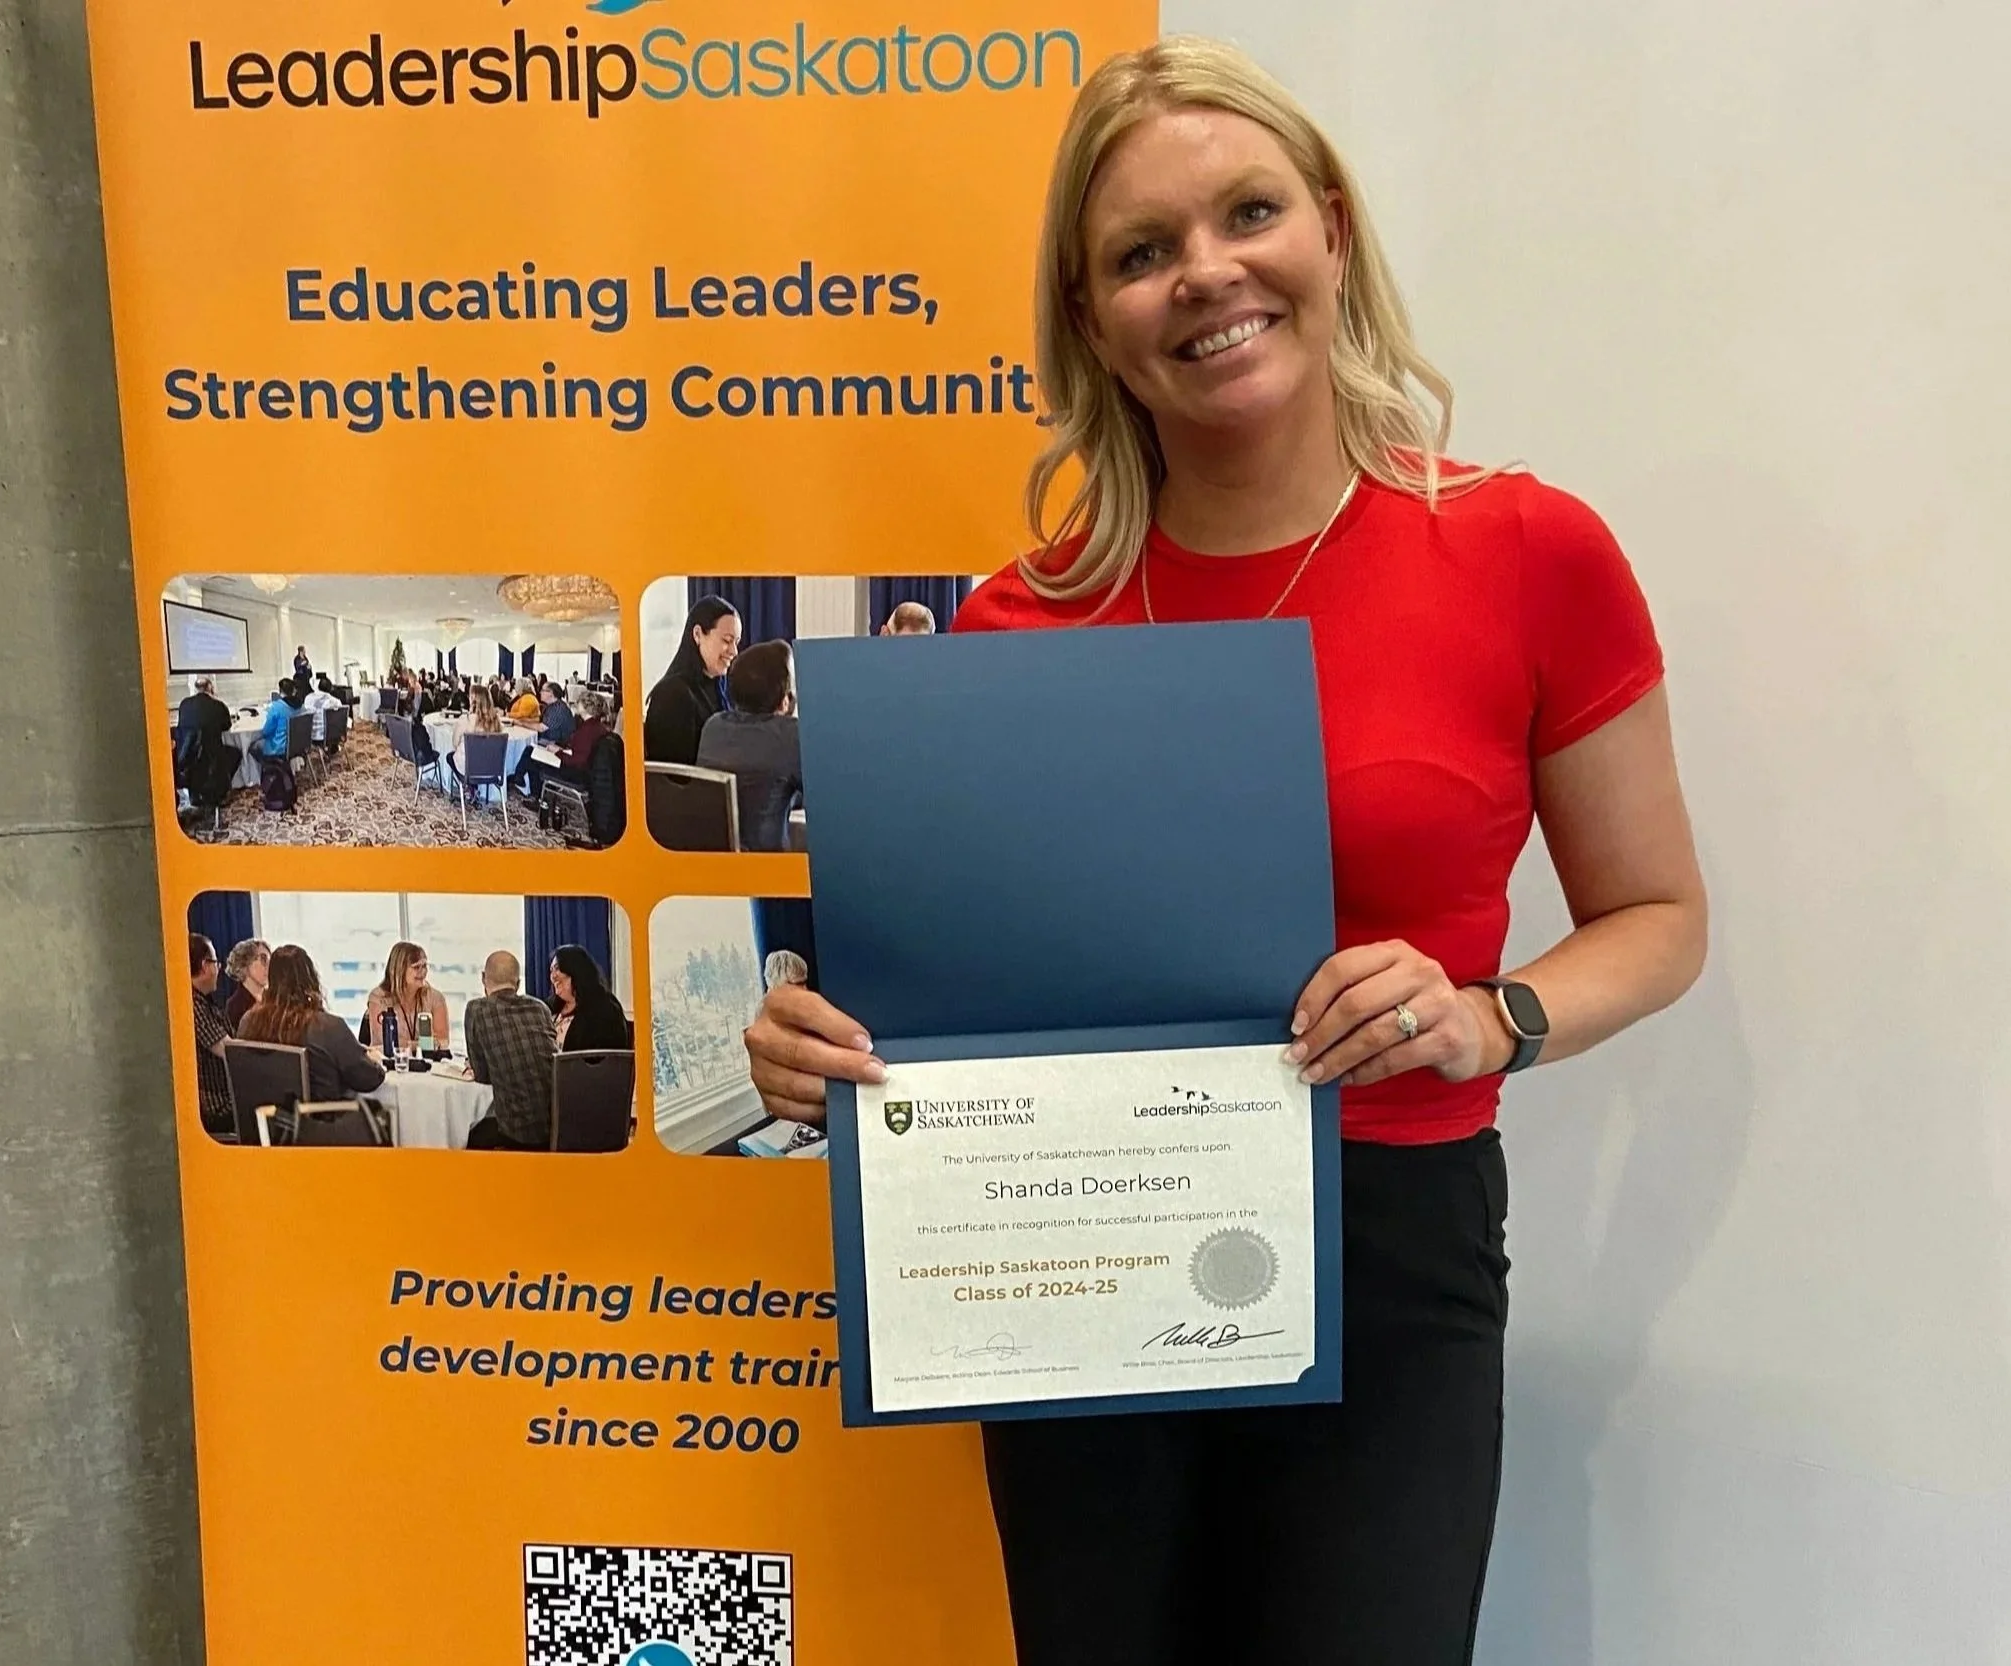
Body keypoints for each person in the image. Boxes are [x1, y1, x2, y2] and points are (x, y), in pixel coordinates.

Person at [738, 39, 1707, 1666]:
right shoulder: (1016, 621)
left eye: (1245, 213)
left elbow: (1659, 915)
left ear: (1328, 229)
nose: (1205, 276)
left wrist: (1495, 1016)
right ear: (1095, 321)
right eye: (1140, 254)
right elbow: (972, 1007)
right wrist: (818, 1042)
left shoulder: (1527, 549)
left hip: (1393, 1242)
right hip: (1075, 1252)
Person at [239, 946, 386, 1102]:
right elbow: (367, 1080)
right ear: (310, 979)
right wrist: (376, 1062)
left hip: (266, 1121)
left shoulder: (248, 1022)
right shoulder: (328, 1027)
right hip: (325, 1122)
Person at [696, 640, 804, 852]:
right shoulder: (790, 735)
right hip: (768, 874)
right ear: (785, 700)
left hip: (712, 869)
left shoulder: (713, 727)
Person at [461, 950, 559, 1151]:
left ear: (483, 978)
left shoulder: (476, 1010)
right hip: (554, 1127)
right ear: (518, 983)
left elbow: (482, 1076)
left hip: (514, 1130)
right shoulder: (540, 1007)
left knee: (468, 1135)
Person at [642, 596, 741, 765]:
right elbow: (673, 777)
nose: (734, 651)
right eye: (727, 640)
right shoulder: (672, 694)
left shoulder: (721, 687)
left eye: (736, 642)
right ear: (697, 635)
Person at [366, 941, 452, 1058]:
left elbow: (442, 1042)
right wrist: (424, 1044)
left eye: (424, 966)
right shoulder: (378, 998)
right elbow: (387, 1044)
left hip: (426, 1066)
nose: (423, 972)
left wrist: (409, 1044)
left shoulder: (435, 998)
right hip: (388, 1065)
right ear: (399, 970)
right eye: (416, 967)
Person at [188, 933, 235, 1139]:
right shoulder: (193, 1005)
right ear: (205, 965)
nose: (219, 970)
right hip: (216, 1109)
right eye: (216, 963)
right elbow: (229, 1050)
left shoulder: (205, 1002)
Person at [550, 945, 630, 1053]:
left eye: (557, 968)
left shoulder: (605, 1008)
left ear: (574, 968)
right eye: (551, 970)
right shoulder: (550, 1007)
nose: (553, 976)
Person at [173, 676, 237, 789]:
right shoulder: (218, 705)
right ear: (210, 688)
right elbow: (227, 726)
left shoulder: (184, 704)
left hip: (188, 755)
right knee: (235, 753)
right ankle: (221, 789)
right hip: (212, 754)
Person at [222, 938, 270, 1028]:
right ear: (245, 964)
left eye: (270, 960)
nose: (269, 965)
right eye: (263, 959)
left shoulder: (274, 998)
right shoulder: (235, 1006)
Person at [254, 678, 297, 761]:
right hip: (296, 746)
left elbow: (266, 731)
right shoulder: (301, 707)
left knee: (252, 746)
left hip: (277, 747)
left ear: (280, 691)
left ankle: (262, 772)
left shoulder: (276, 707)